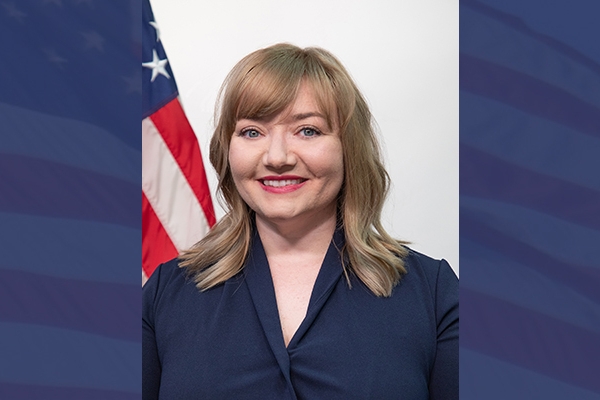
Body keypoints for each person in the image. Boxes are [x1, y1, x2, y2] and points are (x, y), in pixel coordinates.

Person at [142, 43, 458, 399]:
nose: (277, 157)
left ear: (348, 149)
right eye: (251, 132)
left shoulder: (433, 295)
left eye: (307, 130)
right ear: (227, 150)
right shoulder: (165, 293)